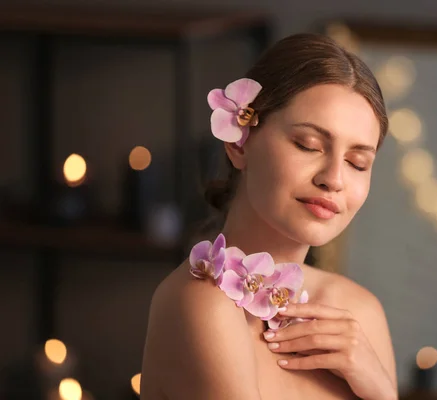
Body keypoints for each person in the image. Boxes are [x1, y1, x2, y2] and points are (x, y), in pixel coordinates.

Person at [140, 32, 397, 400]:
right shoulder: (202, 304)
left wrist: (381, 390)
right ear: (238, 142)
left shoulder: (360, 314)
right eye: (308, 145)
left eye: (358, 163)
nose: (334, 179)